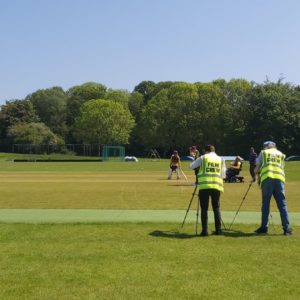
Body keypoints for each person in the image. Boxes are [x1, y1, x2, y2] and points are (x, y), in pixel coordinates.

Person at [254, 141, 292, 235]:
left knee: (265, 204)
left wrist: (256, 173)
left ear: (266, 147)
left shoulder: (263, 153)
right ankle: (286, 229)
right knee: (282, 204)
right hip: (280, 180)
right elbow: (282, 167)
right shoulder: (281, 154)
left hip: (268, 179)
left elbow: (257, 169)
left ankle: (264, 227)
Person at [190, 144, 226, 236]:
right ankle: (218, 230)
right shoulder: (221, 159)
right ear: (214, 150)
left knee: (204, 209)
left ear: (206, 151)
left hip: (204, 186)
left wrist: (196, 160)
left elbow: (191, 166)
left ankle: (204, 231)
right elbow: (223, 175)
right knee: (216, 208)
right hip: (216, 186)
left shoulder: (203, 158)